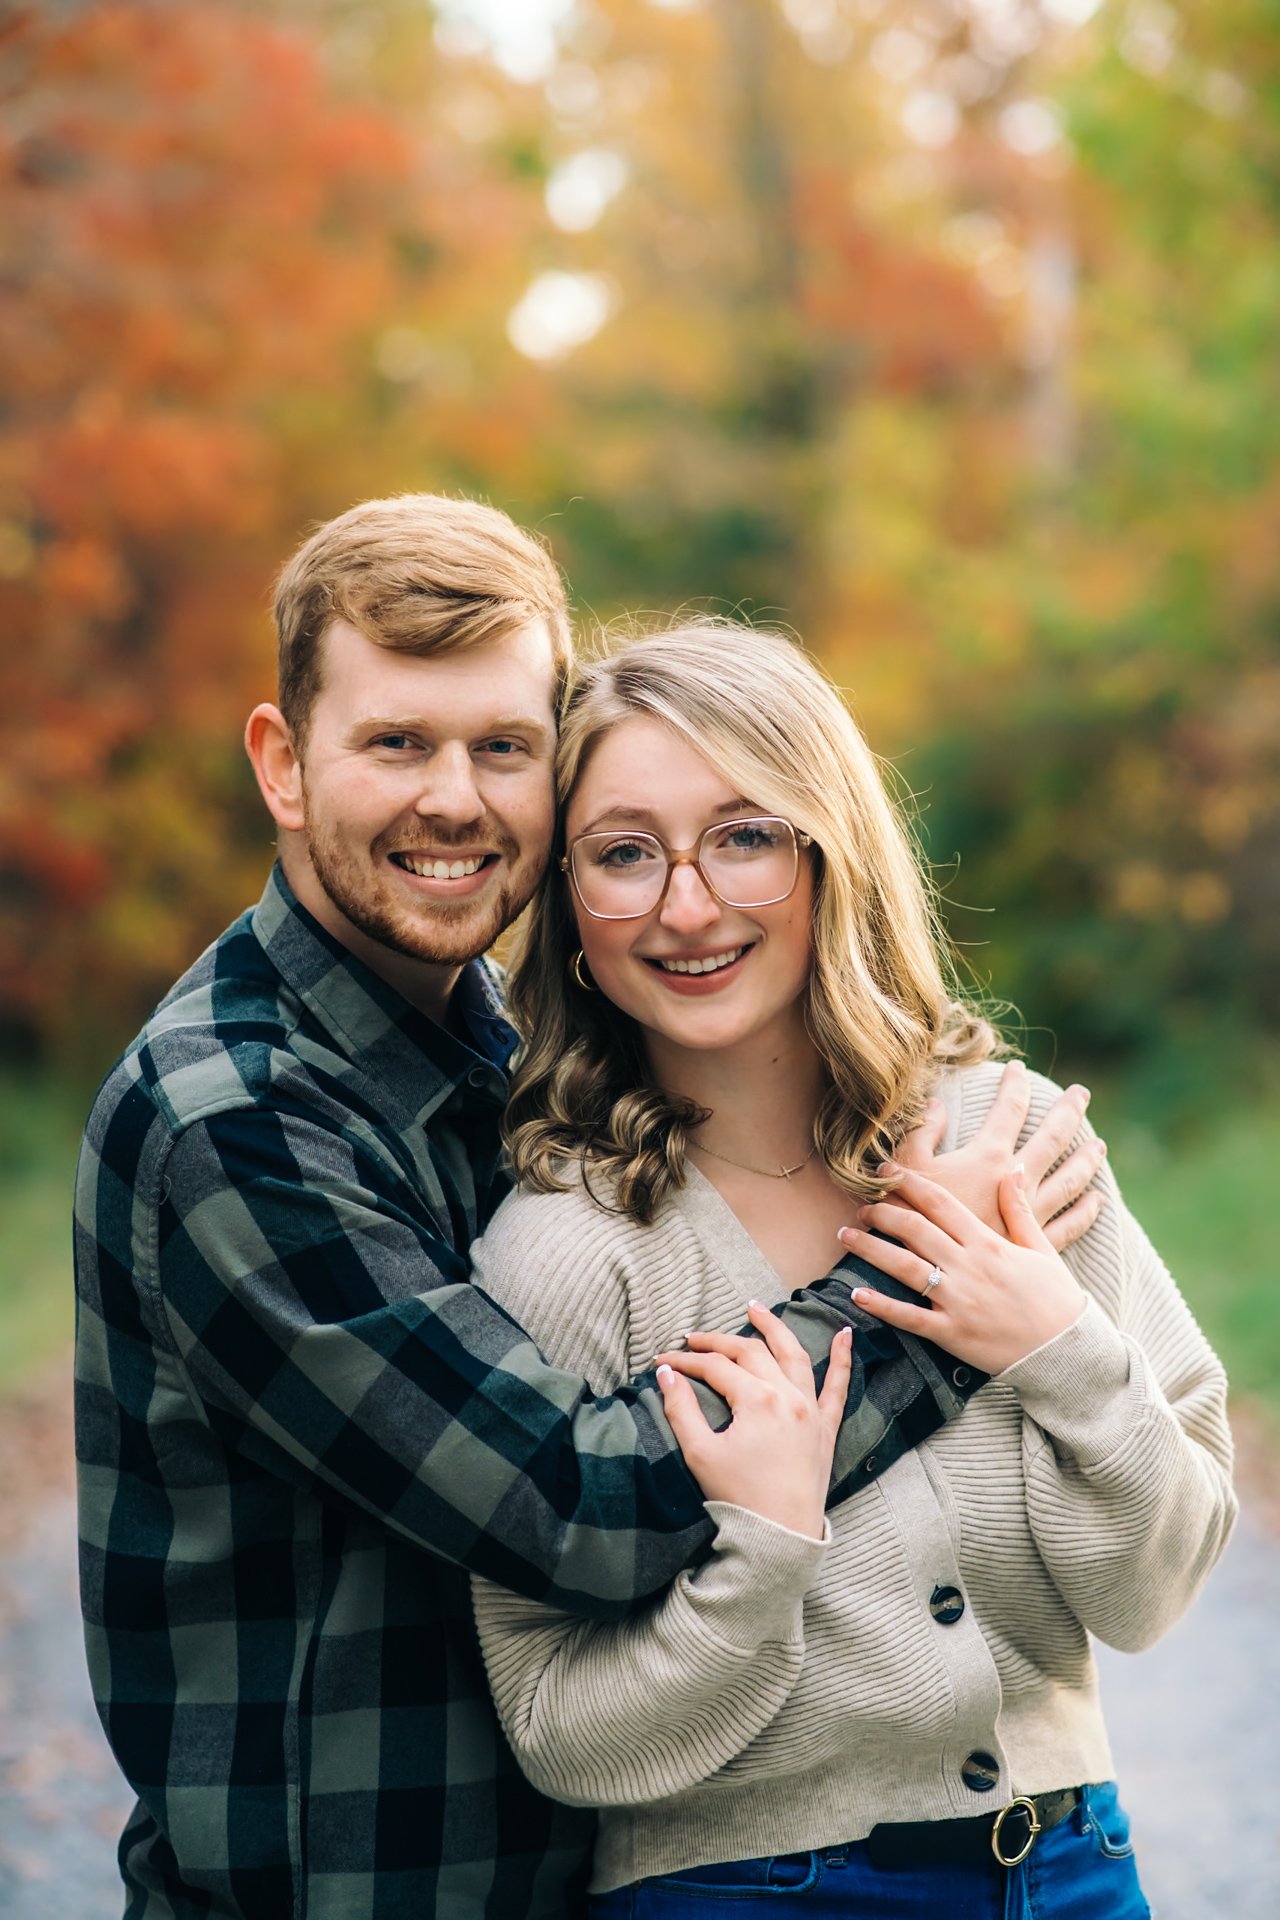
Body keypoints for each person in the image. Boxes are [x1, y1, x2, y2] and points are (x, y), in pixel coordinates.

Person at [73, 496, 1098, 1920]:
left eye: (504, 746)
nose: (455, 797)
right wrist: (955, 1279)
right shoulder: (230, 1116)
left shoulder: (514, 1051)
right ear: (283, 764)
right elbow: (581, 1499)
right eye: (395, 743)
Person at [467, 617, 1237, 1918]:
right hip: (740, 1892)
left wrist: (1060, 1347)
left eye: (746, 835)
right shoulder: (561, 1254)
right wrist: (758, 1554)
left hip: (1069, 1873)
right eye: (624, 854)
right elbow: (558, 1727)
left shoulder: (1011, 1141)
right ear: (568, 906)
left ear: (832, 853)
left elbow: (1153, 1591)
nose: (688, 903)